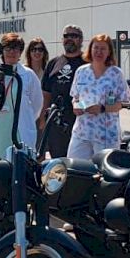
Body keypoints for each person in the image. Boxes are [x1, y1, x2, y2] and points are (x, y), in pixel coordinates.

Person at [67, 34, 130, 159]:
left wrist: (102, 108)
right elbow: (76, 97)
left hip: (106, 134)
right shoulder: (81, 71)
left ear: (109, 52)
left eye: (103, 49)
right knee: (74, 167)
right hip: (82, 132)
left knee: (103, 169)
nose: (99, 52)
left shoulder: (116, 74)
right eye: (96, 48)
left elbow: (124, 102)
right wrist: (77, 106)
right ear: (90, 49)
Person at [0, 33, 43, 160]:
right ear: (2, 51)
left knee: (19, 165)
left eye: (16, 48)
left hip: (20, 130)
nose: (11, 52)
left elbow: (37, 104)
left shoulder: (28, 75)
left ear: (20, 52)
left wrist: (26, 118)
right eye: (8, 48)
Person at [41, 25, 86, 158]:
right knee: (58, 162)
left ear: (81, 40)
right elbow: (46, 94)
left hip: (80, 122)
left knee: (78, 162)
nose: (69, 39)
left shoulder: (87, 63)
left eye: (74, 36)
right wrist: (42, 119)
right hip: (56, 124)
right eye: (66, 36)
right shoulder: (53, 63)